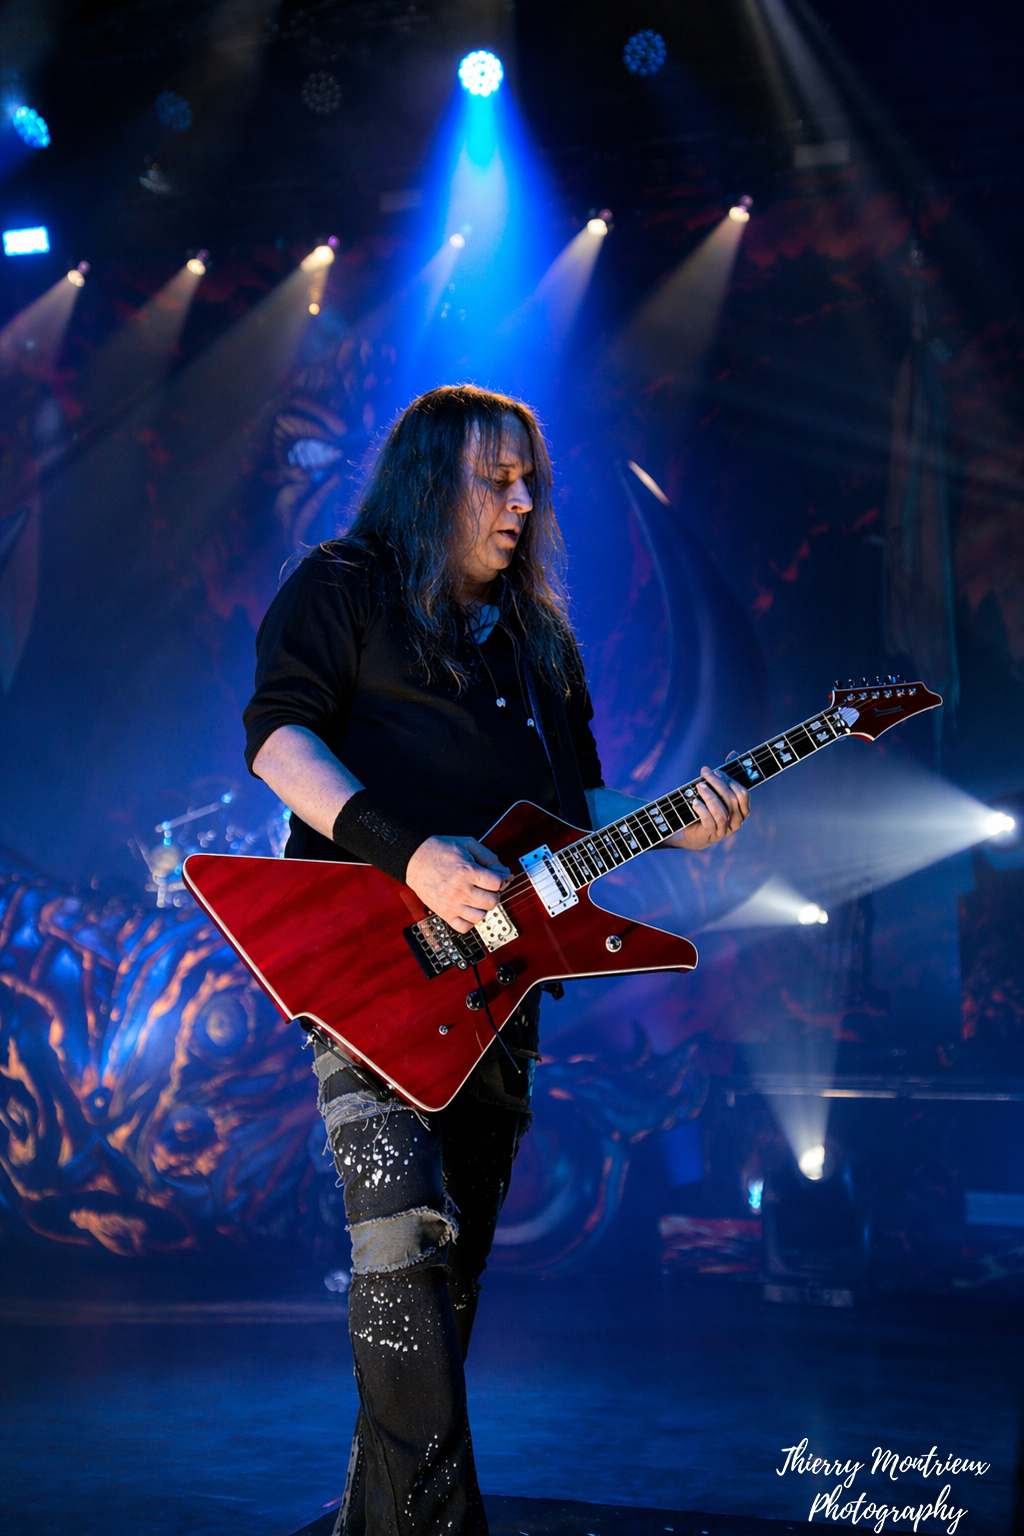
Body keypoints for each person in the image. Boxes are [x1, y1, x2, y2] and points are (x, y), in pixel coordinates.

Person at [243, 384, 749, 1536]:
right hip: (369, 969)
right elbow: (278, 741)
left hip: (501, 986)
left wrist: (677, 818)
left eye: (529, 481)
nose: (522, 501)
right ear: (432, 481)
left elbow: (575, 814)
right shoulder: (341, 583)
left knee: (451, 1262)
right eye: (495, 479)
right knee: (400, 1242)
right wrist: (410, 853)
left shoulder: (539, 643)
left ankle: (380, 1520)